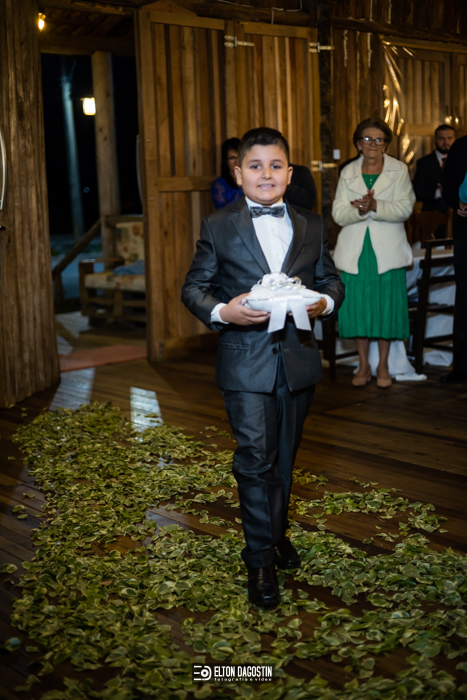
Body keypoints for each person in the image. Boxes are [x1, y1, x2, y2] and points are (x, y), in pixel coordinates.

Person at [182, 127, 344, 608]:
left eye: (276, 166)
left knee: (284, 458)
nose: (266, 174)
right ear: (239, 173)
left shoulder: (312, 224)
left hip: (297, 360)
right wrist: (223, 312)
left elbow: (331, 281)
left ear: (289, 174)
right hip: (244, 363)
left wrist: (323, 304)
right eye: (256, 166)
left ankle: (276, 533)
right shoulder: (218, 225)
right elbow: (194, 288)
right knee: (255, 459)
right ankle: (259, 560)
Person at [332, 117, 415, 388]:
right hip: (356, 251)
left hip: (388, 251)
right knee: (358, 308)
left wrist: (376, 206)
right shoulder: (348, 172)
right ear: (358, 143)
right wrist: (359, 210)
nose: (373, 144)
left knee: (385, 309)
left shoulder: (398, 169)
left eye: (379, 139)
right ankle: (363, 364)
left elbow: (405, 208)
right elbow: (338, 214)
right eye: (367, 139)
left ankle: (383, 366)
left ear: (386, 144)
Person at [440, 135, 467, 383]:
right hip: (465, 235)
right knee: (464, 300)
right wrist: (457, 202)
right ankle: (462, 366)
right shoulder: (461, 146)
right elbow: (448, 186)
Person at [413, 124, 456, 213]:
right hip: (432, 216)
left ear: (455, 139)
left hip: (459, 215)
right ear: (435, 140)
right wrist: (438, 193)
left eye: (449, 138)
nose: (446, 142)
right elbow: (417, 192)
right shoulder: (423, 163)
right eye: (441, 138)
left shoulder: (462, 161)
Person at [211, 137, 243, 209]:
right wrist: (241, 188)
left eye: (239, 157)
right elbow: (221, 210)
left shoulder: (252, 178)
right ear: (225, 160)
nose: (237, 161)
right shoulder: (219, 183)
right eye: (232, 158)